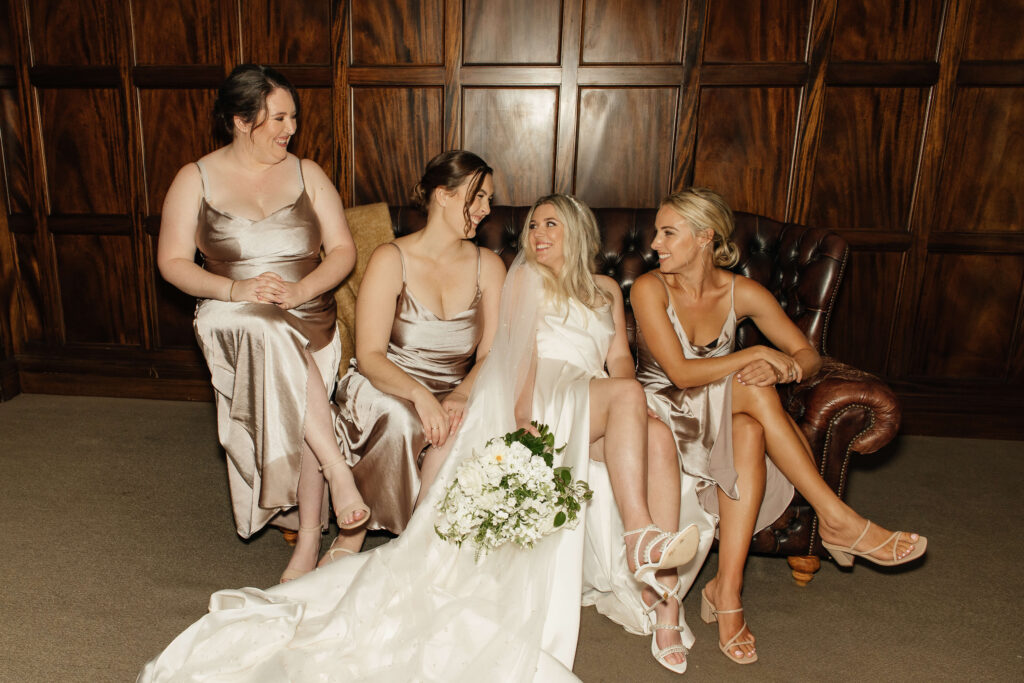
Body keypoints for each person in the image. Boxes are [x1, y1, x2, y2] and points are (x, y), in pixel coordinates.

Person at [138, 193, 699, 682]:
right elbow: (511, 357)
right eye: (532, 225)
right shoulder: (524, 278)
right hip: (546, 398)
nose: (537, 234)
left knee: (655, 435)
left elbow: (620, 362)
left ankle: (663, 596)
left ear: (577, 231)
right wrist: (524, 416)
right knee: (629, 402)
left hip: (595, 398)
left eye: (550, 224)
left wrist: (635, 405)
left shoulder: (605, 290)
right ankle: (638, 539)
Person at [630, 187, 927, 665]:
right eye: (656, 233)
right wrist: (757, 356)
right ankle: (836, 518)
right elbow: (682, 375)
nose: (655, 244)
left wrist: (785, 368)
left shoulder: (741, 292)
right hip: (661, 414)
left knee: (750, 425)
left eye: (669, 232)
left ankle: (726, 593)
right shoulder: (650, 288)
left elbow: (809, 355)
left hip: (720, 417)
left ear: (705, 237)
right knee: (752, 386)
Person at [156, 64, 368, 584]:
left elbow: (343, 251)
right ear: (239, 120)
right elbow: (173, 263)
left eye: (292, 117)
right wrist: (236, 290)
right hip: (232, 315)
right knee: (270, 330)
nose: (289, 128)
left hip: (308, 311)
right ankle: (339, 476)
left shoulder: (308, 173)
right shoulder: (195, 178)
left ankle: (309, 538)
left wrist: (301, 290)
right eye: (277, 118)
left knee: (296, 369)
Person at [326, 150, 506, 562]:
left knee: (470, 426)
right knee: (404, 421)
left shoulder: (489, 266)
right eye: (477, 197)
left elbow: (492, 352)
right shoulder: (392, 259)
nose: (486, 209)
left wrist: (461, 394)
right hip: (386, 380)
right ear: (442, 195)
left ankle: (424, 544)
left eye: (489, 200)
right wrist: (420, 396)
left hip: (459, 385)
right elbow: (369, 355)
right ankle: (353, 534)